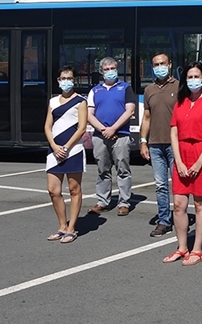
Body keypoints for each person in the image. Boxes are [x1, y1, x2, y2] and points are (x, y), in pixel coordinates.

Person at [162, 62, 202, 266]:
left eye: (196, 76)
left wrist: (199, 162)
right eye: (189, 77)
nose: (193, 80)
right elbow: (174, 132)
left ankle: (197, 250)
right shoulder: (181, 102)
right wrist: (178, 161)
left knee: (199, 204)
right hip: (182, 154)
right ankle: (182, 247)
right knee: (179, 205)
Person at [43, 66, 88, 244]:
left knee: (74, 189)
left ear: (74, 80)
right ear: (58, 80)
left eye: (69, 78)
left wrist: (67, 147)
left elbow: (82, 128)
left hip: (73, 150)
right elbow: (47, 126)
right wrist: (54, 146)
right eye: (63, 78)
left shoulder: (81, 101)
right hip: (54, 151)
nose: (66, 81)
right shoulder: (53, 101)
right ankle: (62, 226)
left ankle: (71, 228)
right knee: (53, 190)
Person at [87, 56, 136, 216]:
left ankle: (124, 203)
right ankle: (103, 201)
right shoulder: (95, 90)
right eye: (106, 69)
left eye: (112, 68)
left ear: (117, 69)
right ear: (101, 72)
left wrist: (113, 129)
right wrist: (104, 130)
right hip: (100, 136)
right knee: (102, 170)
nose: (110, 72)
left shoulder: (126, 88)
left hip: (121, 135)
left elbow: (130, 111)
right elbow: (89, 114)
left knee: (123, 170)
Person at [139, 52, 179, 237]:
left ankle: (180, 217)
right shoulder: (149, 90)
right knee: (161, 185)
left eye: (163, 63)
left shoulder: (179, 87)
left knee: (178, 185)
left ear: (170, 65)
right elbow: (146, 118)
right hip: (155, 145)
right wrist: (143, 141)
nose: (160, 67)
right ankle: (164, 221)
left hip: (175, 144)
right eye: (156, 64)